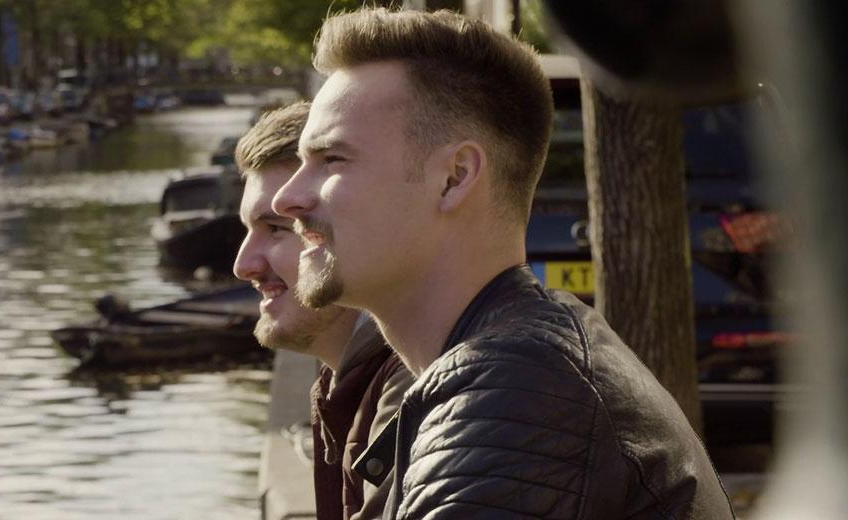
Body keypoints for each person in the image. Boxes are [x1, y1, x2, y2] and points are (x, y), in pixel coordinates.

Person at [271, 8, 733, 519]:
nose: (286, 199)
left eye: (332, 159)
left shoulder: (518, 388)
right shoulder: (516, 364)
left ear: (455, 177)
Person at [232, 101, 414, 520]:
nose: (243, 265)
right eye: (248, 230)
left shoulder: (413, 389)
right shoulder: (359, 380)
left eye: (277, 228)